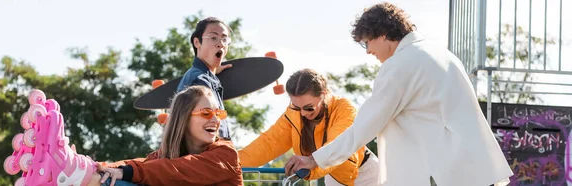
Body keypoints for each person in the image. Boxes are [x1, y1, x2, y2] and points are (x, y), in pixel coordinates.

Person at [286, 2, 513, 186]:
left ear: (383, 34)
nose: (369, 51)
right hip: (475, 171)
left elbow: (364, 127)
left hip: (443, 174)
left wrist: (313, 159)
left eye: (367, 42)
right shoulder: (440, 54)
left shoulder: (400, 66)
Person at [238, 69, 380, 186]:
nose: (303, 113)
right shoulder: (293, 114)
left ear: (323, 94)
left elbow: (337, 145)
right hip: (334, 177)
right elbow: (268, 143)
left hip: (365, 173)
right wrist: (229, 163)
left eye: (309, 108)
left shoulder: (344, 108)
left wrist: (312, 161)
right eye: (297, 107)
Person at [94, 85, 242, 186]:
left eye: (218, 113)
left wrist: (125, 172)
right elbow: (143, 163)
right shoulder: (170, 154)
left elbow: (178, 170)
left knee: (111, 182)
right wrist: (97, 167)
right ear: (183, 118)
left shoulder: (226, 154)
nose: (216, 120)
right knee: (104, 178)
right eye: (206, 113)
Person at [176, 17, 234, 140]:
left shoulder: (199, 76)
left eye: (224, 39)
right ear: (197, 42)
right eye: (213, 37)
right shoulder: (200, 81)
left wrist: (212, 73)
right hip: (208, 157)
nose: (220, 44)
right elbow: (209, 131)